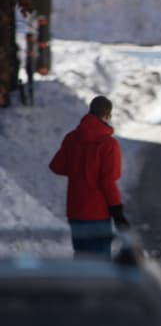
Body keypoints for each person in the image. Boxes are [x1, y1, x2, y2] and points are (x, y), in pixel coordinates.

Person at [49, 95, 128, 257]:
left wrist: (78, 170)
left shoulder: (71, 138)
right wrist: (117, 212)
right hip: (97, 214)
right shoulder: (108, 144)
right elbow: (108, 181)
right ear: (107, 115)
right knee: (100, 265)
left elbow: (56, 166)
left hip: (75, 211)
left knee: (82, 260)